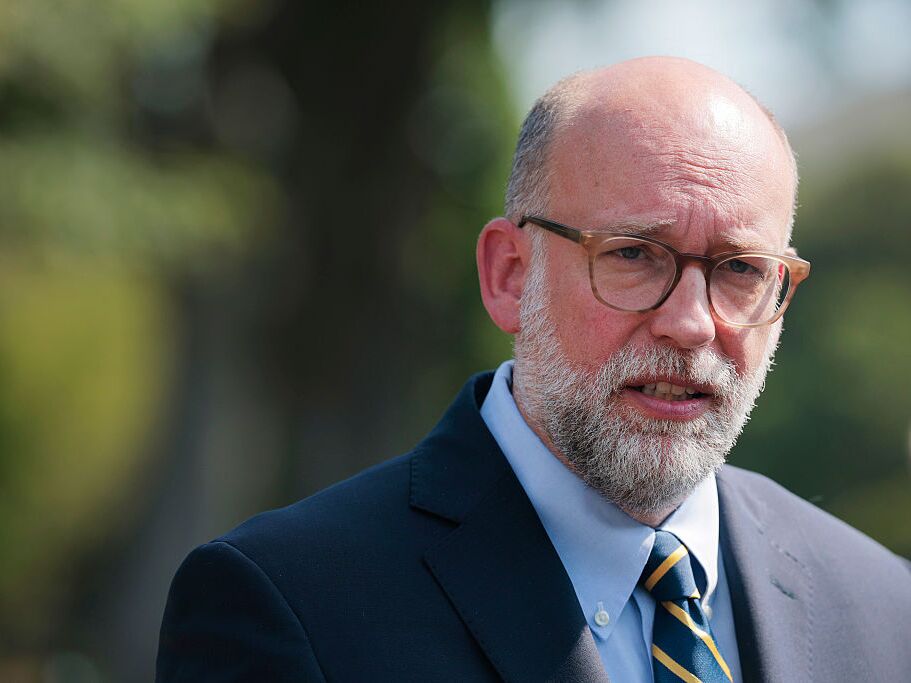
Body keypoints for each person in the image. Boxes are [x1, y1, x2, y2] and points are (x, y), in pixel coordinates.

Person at [156, 57, 911, 682]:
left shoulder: (880, 607)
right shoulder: (290, 605)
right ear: (510, 274)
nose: (689, 322)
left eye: (740, 268)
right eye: (631, 254)